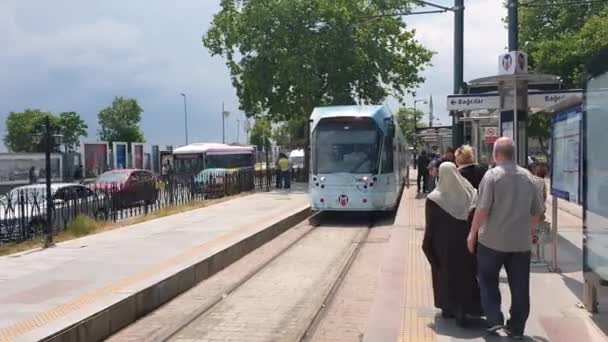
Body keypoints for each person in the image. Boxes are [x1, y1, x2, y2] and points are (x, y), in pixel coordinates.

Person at [467, 137, 544, 339]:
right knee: (520, 287)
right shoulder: (529, 177)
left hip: (491, 241)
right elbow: (536, 213)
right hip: (521, 243)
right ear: (514, 154)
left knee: (487, 279)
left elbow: (482, 209)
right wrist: (532, 232)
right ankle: (517, 328)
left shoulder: (491, 176)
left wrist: (472, 233)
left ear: (496, 154)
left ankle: (494, 320)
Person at [422, 162, 482, 327]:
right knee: (466, 275)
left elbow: (430, 227)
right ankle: (466, 307)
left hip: (442, 247)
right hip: (467, 243)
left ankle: (448, 307)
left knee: (444, 275)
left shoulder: (434, 199)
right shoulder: (471, 194)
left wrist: (427, 246)